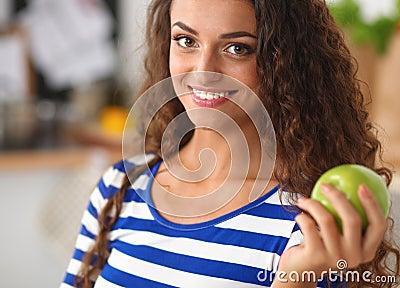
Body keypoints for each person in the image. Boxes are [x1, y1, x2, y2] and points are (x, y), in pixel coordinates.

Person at [60, 0, 400, 287]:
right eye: (186, 40)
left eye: (237, 48)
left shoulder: (312, 224)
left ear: (286, 61)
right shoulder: (119, 188)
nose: (204, 71)